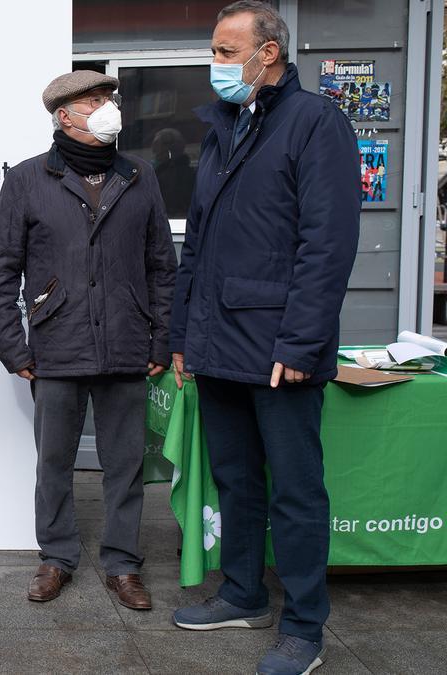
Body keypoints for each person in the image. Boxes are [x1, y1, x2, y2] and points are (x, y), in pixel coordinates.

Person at [169, 3, 360, 673]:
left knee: (296, 492)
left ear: (268, 53)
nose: (214, 63)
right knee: (235, 481)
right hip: (219, 345)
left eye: (226, 50)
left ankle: (305, 627)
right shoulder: (224, 129)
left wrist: (302, 346)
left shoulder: (316, 124)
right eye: (215, 50)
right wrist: (183, 334)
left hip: (280, 350)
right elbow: (199, 243)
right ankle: (243, 592)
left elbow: (327, 246)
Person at [0, 71, 176, 611]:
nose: (108, 108)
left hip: (126, 344)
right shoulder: (27, 179)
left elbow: (163, 265)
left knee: (125, 464)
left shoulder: (141, 175)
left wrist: (162, 339)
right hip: (56, 344)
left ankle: (122, 563)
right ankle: (57, 556)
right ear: (65, 116)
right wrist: (13, 347)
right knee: (54, 462)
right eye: (95, 101)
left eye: (109, 99)